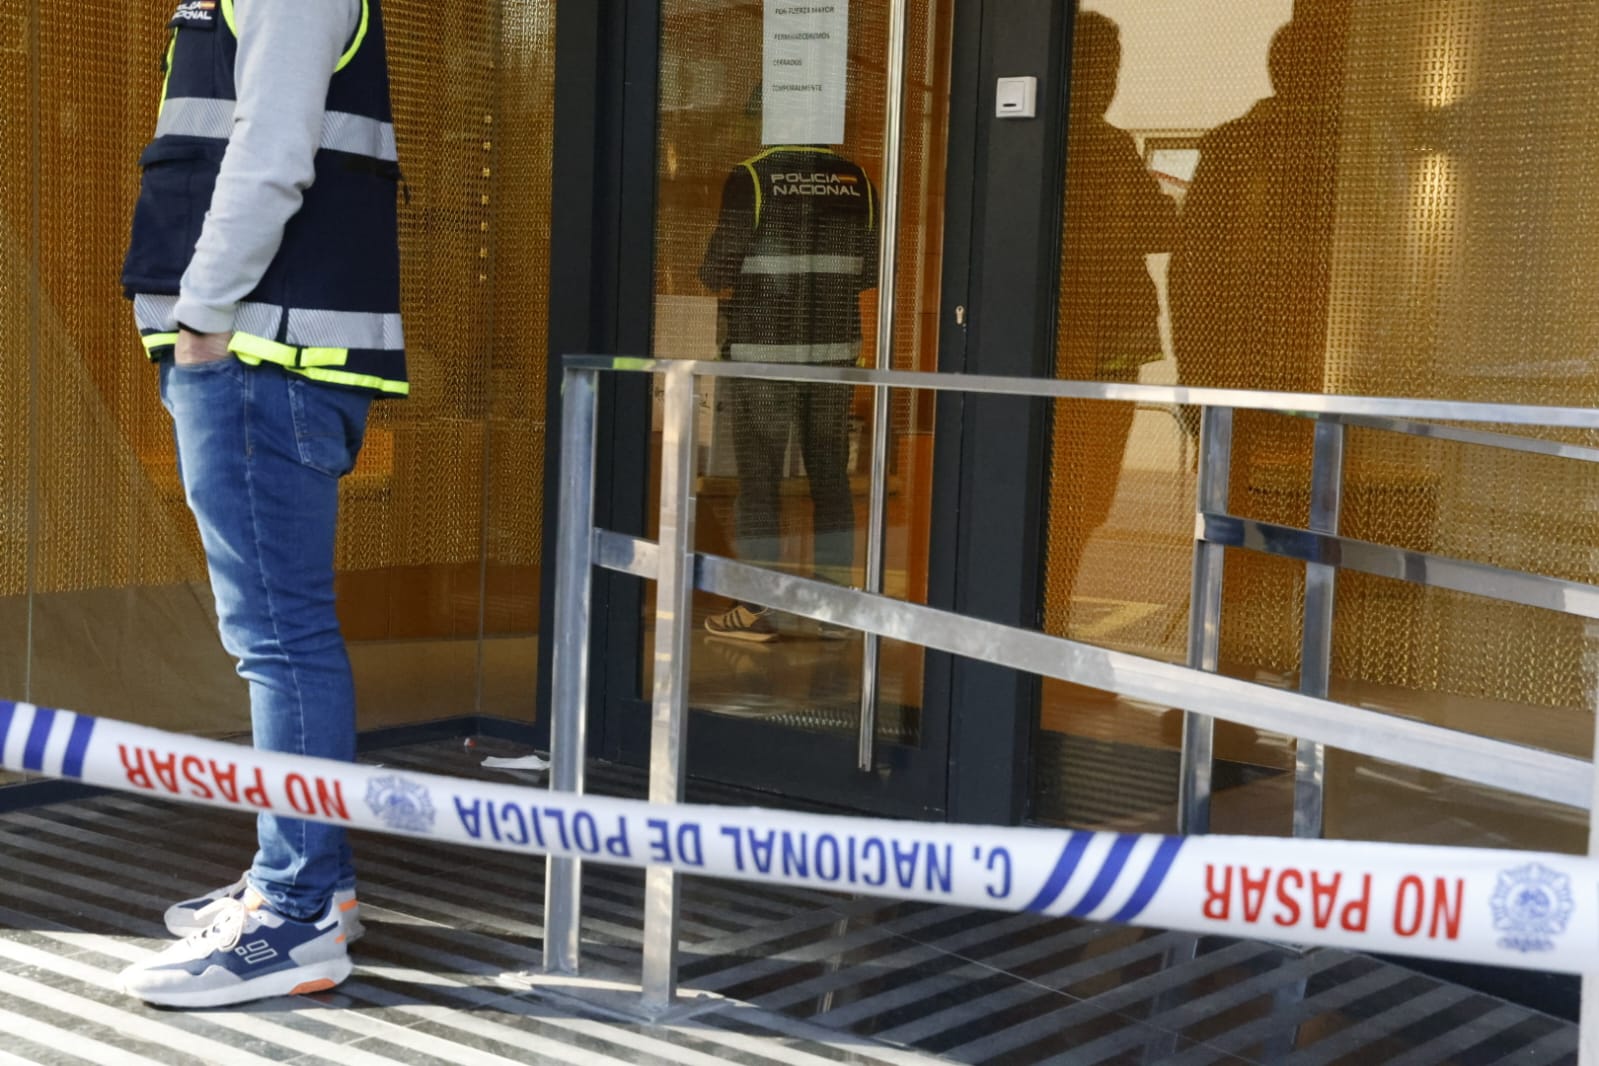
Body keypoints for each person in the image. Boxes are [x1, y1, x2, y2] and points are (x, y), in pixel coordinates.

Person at [116, 0, 407, 1007]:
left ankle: (295, 917)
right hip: (266, 351)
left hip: (259, 352)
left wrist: (200, 318)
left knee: (279, 641)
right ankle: (310, 879)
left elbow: (271, 150)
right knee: (283, 637)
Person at [698, 143, 878, 643]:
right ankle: (832, 608)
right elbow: (868, 271)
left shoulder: (753, 176)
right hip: (833, 360)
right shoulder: (856, 180)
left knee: (760, 484)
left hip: (764, 358)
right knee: (831, 482)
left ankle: (758, 608)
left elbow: (716, 271)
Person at [1051, 12, 1175, 615]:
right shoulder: (1102, 144)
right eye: (1102, 67)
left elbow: (1152, 224)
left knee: (1078, 489)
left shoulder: (1090, 142)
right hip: (1097, 343)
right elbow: (1161, 225)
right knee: (1083, 487)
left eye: (1114, 68)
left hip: (1101, 343)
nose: (1110, 81)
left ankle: (1052, 604)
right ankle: (1053, 603)